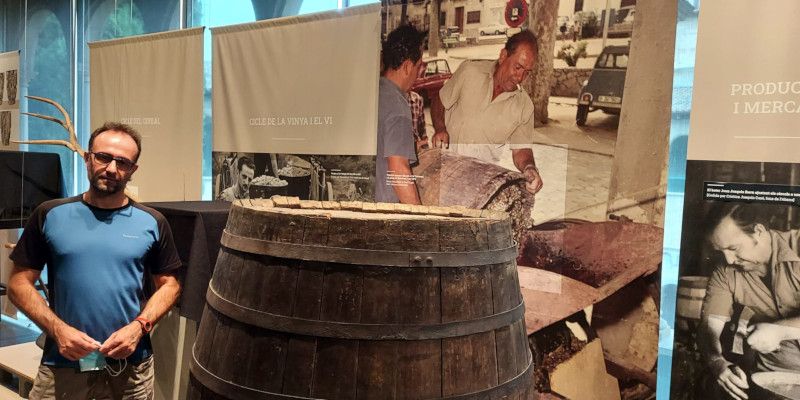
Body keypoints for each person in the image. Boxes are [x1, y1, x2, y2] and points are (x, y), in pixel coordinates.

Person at [8, 122, 182, 399]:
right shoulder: (50, 214)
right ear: (88, 158)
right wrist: (57, 329)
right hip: (63, 363)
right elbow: (18, 283)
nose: (112, 168)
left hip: (131, 365)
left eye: (122, 162)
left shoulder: (152, 221)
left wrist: (139, 327)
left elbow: (170, 285)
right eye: (103, 157)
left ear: (132, 170)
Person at [699, 202, 800, 400]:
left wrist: (781, 331)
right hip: (772, 378)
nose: (729, 259)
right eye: (721, 251)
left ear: (759, 231)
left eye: (733, 248)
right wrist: (717, 361)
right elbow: (708, 328)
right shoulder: (725, 272)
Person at [430, 30, 544, 195]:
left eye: (527, 72)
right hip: (444, 174)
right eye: (518, 67)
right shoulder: (469, 71)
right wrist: (440, 128)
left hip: (478, 186)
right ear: (503, 56)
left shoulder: (524, 106)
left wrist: (529, 167)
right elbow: (439, 101)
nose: (520, 77)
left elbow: (521, 150)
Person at [375, 25, 425, 204]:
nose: (420, 72)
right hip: (383, 213)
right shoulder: (397, 106)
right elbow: (399, 171)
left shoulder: (374, 91)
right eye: (419, 66)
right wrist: (421, 221)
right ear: (407, 67)